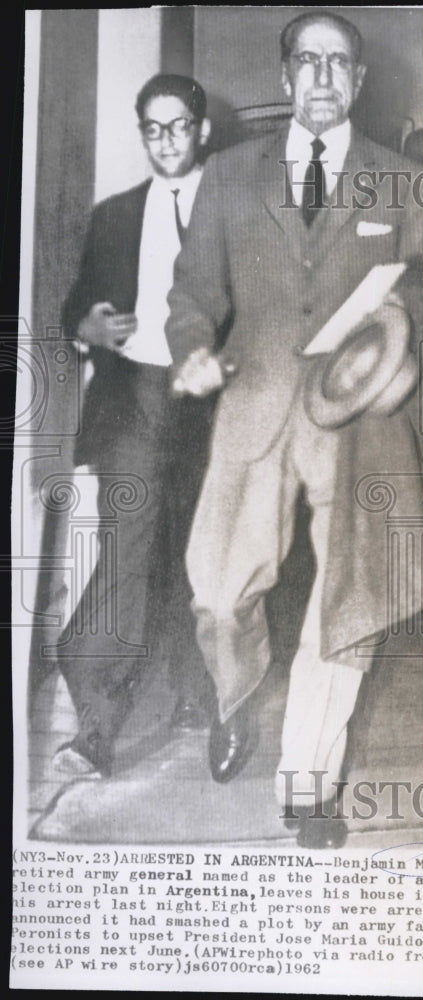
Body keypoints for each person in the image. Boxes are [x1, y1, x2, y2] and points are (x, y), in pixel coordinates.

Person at [165, 11, 423, 847]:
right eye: (306, 60)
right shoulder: (226, 175)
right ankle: (235, 696)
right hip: (253, 405)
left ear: (357, 80)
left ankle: (309, 782)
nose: (322, 76)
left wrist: (404, 321)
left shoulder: (404, 181)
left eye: (338, 62)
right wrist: (191, 348)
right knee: (218, 597)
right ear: (284, 75)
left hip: (359, 419)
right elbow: (192, 294)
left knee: (346, 606)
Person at [53, 74, 216, 778]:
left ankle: (195, 690)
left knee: (198, 556)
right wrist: (85, 326)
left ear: (202, 130)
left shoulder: (237, 207)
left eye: (178, 126)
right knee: (127, 549)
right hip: (134, 400)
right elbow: (76, 306)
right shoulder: (115, 215)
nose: (166, 141)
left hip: (211, 403)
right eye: (153, 128)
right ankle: (96, 724)